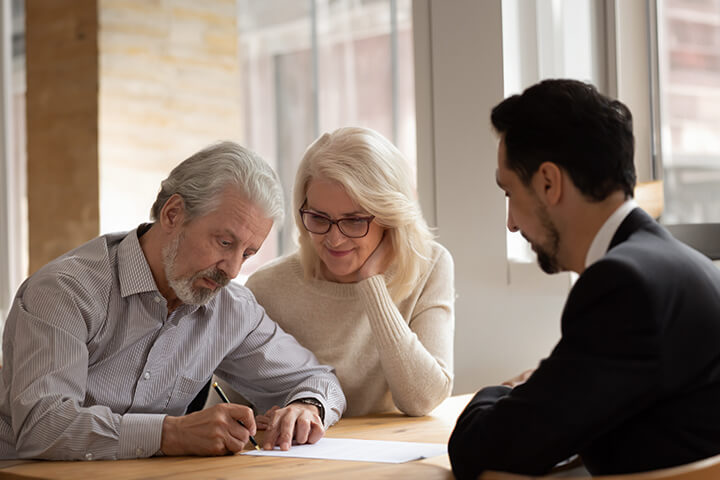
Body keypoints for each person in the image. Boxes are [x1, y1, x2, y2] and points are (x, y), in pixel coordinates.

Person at [0, 141, 346, 461]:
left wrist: (307, 406)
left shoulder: (231, 308)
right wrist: (171, 434)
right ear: (172, 214)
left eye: (248, 253)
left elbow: (319, 380)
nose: (233, 269)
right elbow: (42, 426)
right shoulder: (64, 291)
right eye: (225, 243)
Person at [448, 79, 720, 478]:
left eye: (509, 193)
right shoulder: (687, 265)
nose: (510, 224)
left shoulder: (624, 284)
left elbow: (481, 450)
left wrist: (502, 392)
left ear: (548, 183)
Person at [214, 126, 454, 419]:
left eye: (353, 221)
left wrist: (372, 285)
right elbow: (229, 407)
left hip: (390, 451)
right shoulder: (268, 287)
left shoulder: (428, 266)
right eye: (318, 218)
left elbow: (423, 400)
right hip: (293, 456)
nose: (334, 239)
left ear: (390, 218)